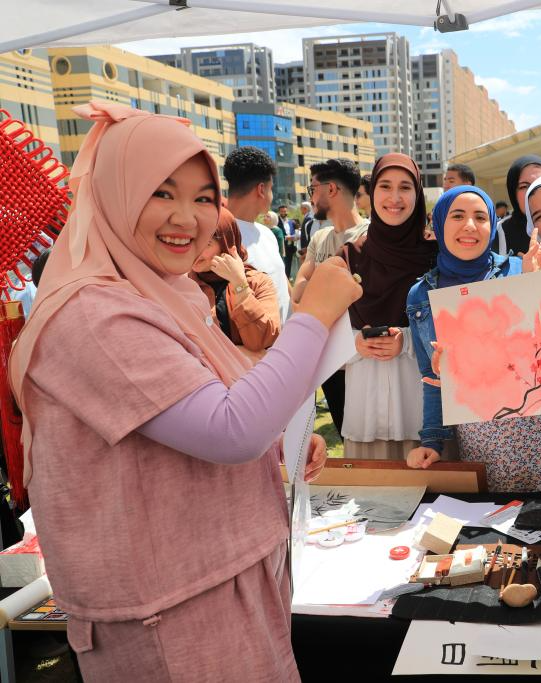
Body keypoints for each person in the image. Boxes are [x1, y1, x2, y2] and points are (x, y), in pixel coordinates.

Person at [10, 100, 362, 681]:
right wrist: (313, 316)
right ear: (113, 195)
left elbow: (195, 410)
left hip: (219, 579)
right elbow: (232, 429)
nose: (187, 218)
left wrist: (278, 440)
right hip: (170, 610)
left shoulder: (159, 293)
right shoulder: (92, 314)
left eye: (202, 198)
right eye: (160, 192)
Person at [405, 186, 541, 491]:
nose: (470, 226)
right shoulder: (421, 295)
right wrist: (432, 441)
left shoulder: (521, 269)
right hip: (479, 436)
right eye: (458, 216)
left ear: (492, 225)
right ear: (439, 223)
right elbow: (431, 378)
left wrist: (536, 284)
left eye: (480, 217)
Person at [339, 154, 437, 459]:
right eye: (385, 186)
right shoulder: (349, 257)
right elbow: (319, 337)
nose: (394, 198)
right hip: (365, 416)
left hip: (424, 422)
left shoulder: (436, 258)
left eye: (405, 187)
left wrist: (406, 341)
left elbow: (458, 334)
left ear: (417, 194)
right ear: (371, 193)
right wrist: (355, 343)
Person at [293, 158, 366, 440]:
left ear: (331, 189)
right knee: (343, 432)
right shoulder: (320, 237)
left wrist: (316, 288)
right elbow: (298, 291)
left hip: (359, 358)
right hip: (326, 359)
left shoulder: (369, 237)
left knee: (363, 441)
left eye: (312, 189)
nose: (311, 197)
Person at [191, 207, 280, 359]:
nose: (195, 250)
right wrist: (237, 355)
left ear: (226, 243)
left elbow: (262, 339)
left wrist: (239, 284)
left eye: (206, 243)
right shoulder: (181, 284)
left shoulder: (257, 282)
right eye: (191, 240)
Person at [224, 146, 291, 323]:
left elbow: (282, 282)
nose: (271, 196)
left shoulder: (267, 234)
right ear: (261, 189)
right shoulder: (219, 237)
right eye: (271, 188)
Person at [496, 155, 541, 257]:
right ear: (513, 193)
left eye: (540, 183)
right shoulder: (500, 231)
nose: (533, 191)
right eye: (524, 186)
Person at [277, 204, 298, 279]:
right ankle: (282, 279)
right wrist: (286, 238)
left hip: (290, 246)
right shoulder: (276, 221)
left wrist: (294, 237)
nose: (283, 213)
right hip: (281, 246)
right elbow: (276, 234)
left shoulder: (291, 222)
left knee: (289, 264)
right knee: (282, 264)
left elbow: (294, 232)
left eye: (285, 211)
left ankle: (287, 279)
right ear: (279, 212)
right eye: (282, 211)